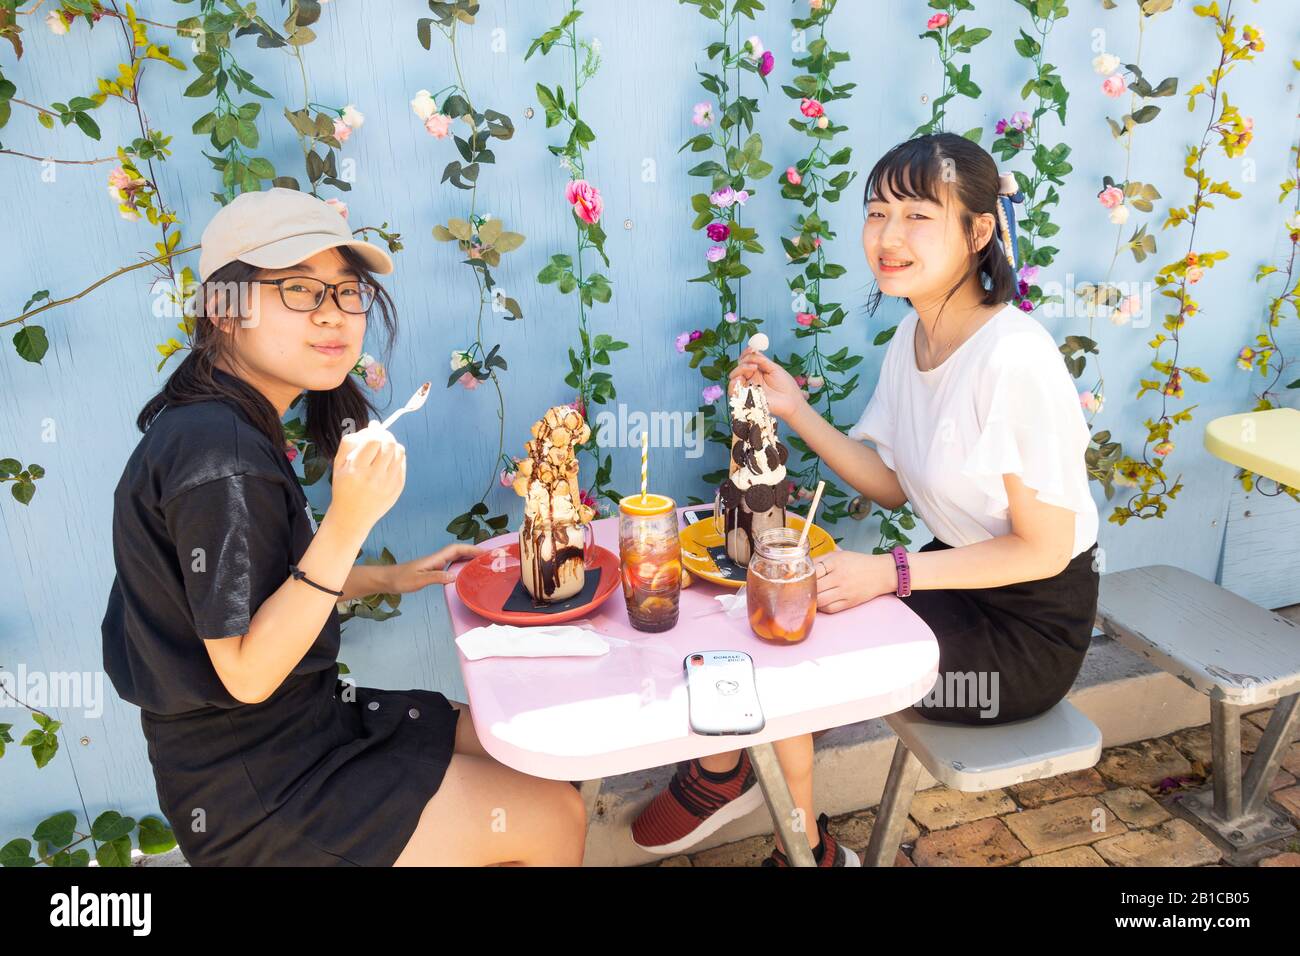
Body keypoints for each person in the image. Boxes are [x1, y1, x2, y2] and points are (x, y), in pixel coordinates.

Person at [631, 132, 1100, 866]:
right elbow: (893, 482)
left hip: (1026, 638)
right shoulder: (914, 337)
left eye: (918, 216)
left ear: (979, 232)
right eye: (877, 212)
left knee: (799, 665)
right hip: (960, 584)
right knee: (777, 610)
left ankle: (770, 816)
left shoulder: (1013, 359)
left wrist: (893, 573)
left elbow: (1042, 548)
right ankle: (769, 806)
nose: (888, 236)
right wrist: (795, 411)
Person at [101, 188, 587, 866]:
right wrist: (350, 520)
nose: (333, 316)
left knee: (535, 750)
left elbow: (264, 591)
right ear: (224, 308)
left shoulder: (226, 423)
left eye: (346, 291)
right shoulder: (219, 459)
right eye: (299, 290)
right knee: (550, 815)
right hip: (258, 786)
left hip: (310, 726)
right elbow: (245, 672)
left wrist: (393, 575)